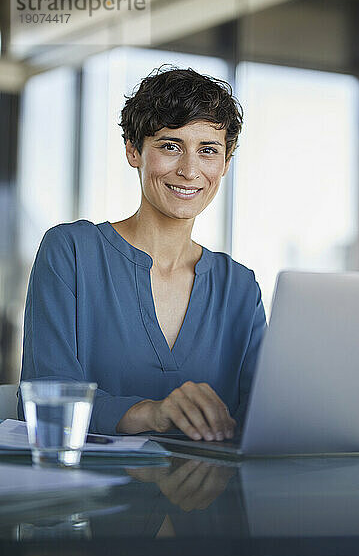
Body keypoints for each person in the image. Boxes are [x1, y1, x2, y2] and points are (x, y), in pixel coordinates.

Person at [18, 66, 267, 439]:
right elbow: (45, 402)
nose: (189, 169)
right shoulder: (70, 253)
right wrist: (152, 413)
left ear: (225, 163)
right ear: (134, 151)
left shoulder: (240, 287)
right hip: (92, 495)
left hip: (212, 495)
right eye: (170, 146)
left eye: (208, 151)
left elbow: (265, 415)